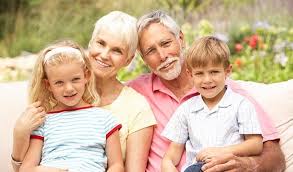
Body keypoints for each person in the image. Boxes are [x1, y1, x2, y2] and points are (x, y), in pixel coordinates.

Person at [128, 10, 285, 172]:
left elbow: (275, 156)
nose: (162, 56)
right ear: (143, 58)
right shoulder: (135, 92)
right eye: (150, 51)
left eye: (166, 43)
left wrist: (247, 166)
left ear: (180, 39)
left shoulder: (230, 93)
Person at [12, 11, 156, 172]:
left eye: (117, 50)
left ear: (128, 60)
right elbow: (24, 168)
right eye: (101, 43)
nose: (104, 55)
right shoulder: (53, 100)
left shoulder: (134, 107)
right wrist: (19, 133)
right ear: (90, 43)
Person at [161, 36, 263, 172]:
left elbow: (256, 144)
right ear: (190, 75)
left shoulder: (240, 104)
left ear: (227, 71)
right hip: (197, 168)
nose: (207, 80)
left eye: (214, 72)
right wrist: (168, 166)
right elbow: (171, 156)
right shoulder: (186, 109)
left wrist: (222, 152)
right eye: (199, 74)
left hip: (228, 165)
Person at [19, 40, 123, 172]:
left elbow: (117, 165)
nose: (68, 88)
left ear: (86, 76)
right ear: (48, 85)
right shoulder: (43, 122)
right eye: (59, 83)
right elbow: (26, 169)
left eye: (75, 79)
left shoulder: (105, 119)